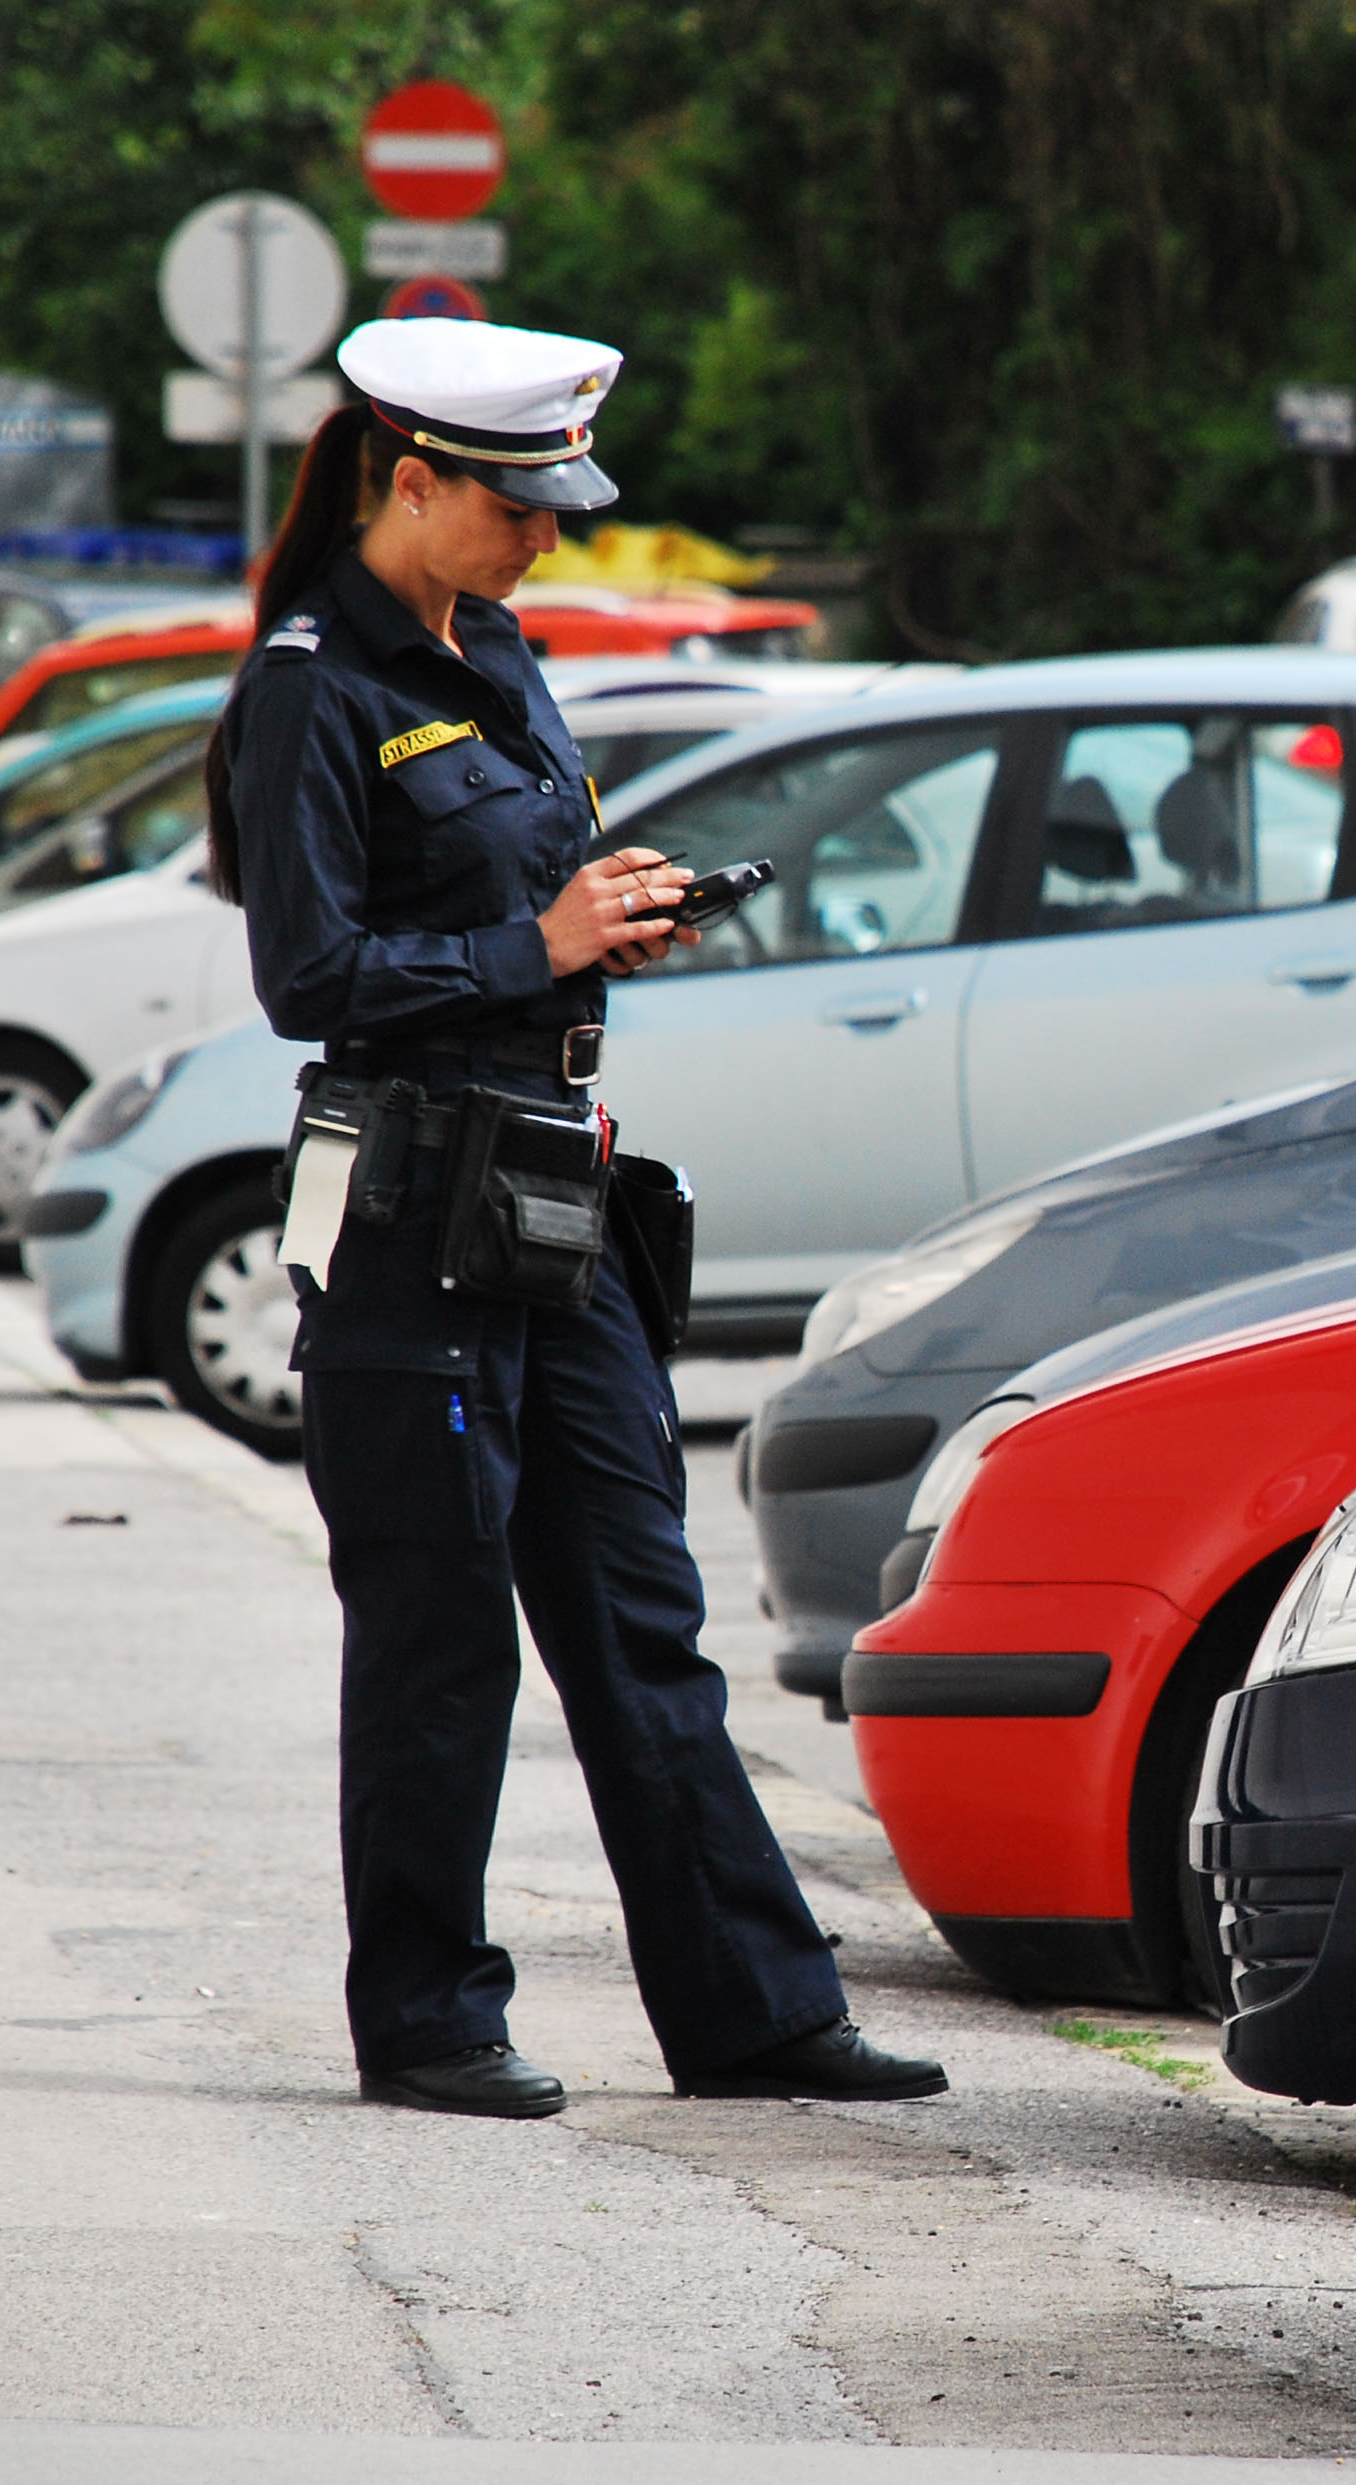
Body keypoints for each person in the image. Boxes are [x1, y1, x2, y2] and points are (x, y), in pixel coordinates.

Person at [208, 316, 946, 2120]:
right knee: (439, 1630)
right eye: (520, 507)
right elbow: (310, 976)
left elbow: (523, 898)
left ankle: (754, 2012)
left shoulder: (500, 649)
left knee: (640, 1612)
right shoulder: (314, 686)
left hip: (555, 1187)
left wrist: (610, 919)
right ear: (413, 482)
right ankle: (429, 2020)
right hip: (411, 1205)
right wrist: (528, 945)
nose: (550, 537)